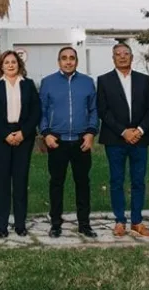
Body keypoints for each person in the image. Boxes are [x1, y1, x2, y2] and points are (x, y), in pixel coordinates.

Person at [38, 46, 98, 238]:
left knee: (83, 183)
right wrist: (46, 133)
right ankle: (56, 223)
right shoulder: (48, 82)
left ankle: (84, 224)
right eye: (64, 58)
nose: (68, 61)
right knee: (56, 183)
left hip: (81, 141)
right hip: (57, 141)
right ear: (59, 61)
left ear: (76, 61)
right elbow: (42, 111)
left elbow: (94, 110)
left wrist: (90, 133)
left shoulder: (88, 83)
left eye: (72, 58)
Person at [97, 43, 149, 237]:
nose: (122, 57)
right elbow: (103, 111)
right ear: (113, 58)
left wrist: (139, 130)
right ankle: (120, 220)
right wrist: (123, 131)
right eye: (118, 54)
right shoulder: (104, 81)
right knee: (117, 180)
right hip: (115, 139)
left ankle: (137, 221)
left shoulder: (143, 80)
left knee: (138, 181)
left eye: (126, 54)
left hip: (140, 138)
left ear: (131, 57)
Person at [0, 50, 40, 237]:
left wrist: (23, 133)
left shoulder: (29, 85)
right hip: (0, 138)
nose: (10, 65)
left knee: (21, 181)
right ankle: (2, 225)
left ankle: (20, 224)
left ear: (19, 64)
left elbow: (36, 112)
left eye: (13, 62)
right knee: (2, 182)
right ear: (1, 65)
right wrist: (6, 134)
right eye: (6, 62)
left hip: (24, 137)